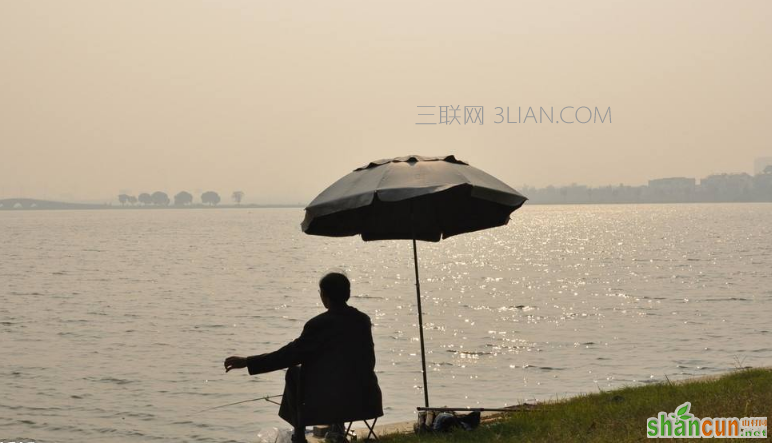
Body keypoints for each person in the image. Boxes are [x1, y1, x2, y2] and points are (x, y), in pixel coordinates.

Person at [224, 272, 383, 443]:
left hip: (329, 404)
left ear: (325, 296)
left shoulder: (318, 324)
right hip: (366, 400)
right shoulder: (362, 320)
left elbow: (288, 355)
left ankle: (299, 436)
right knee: (341, 373)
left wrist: (248, 361)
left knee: (294, 372)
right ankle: (337, 429)